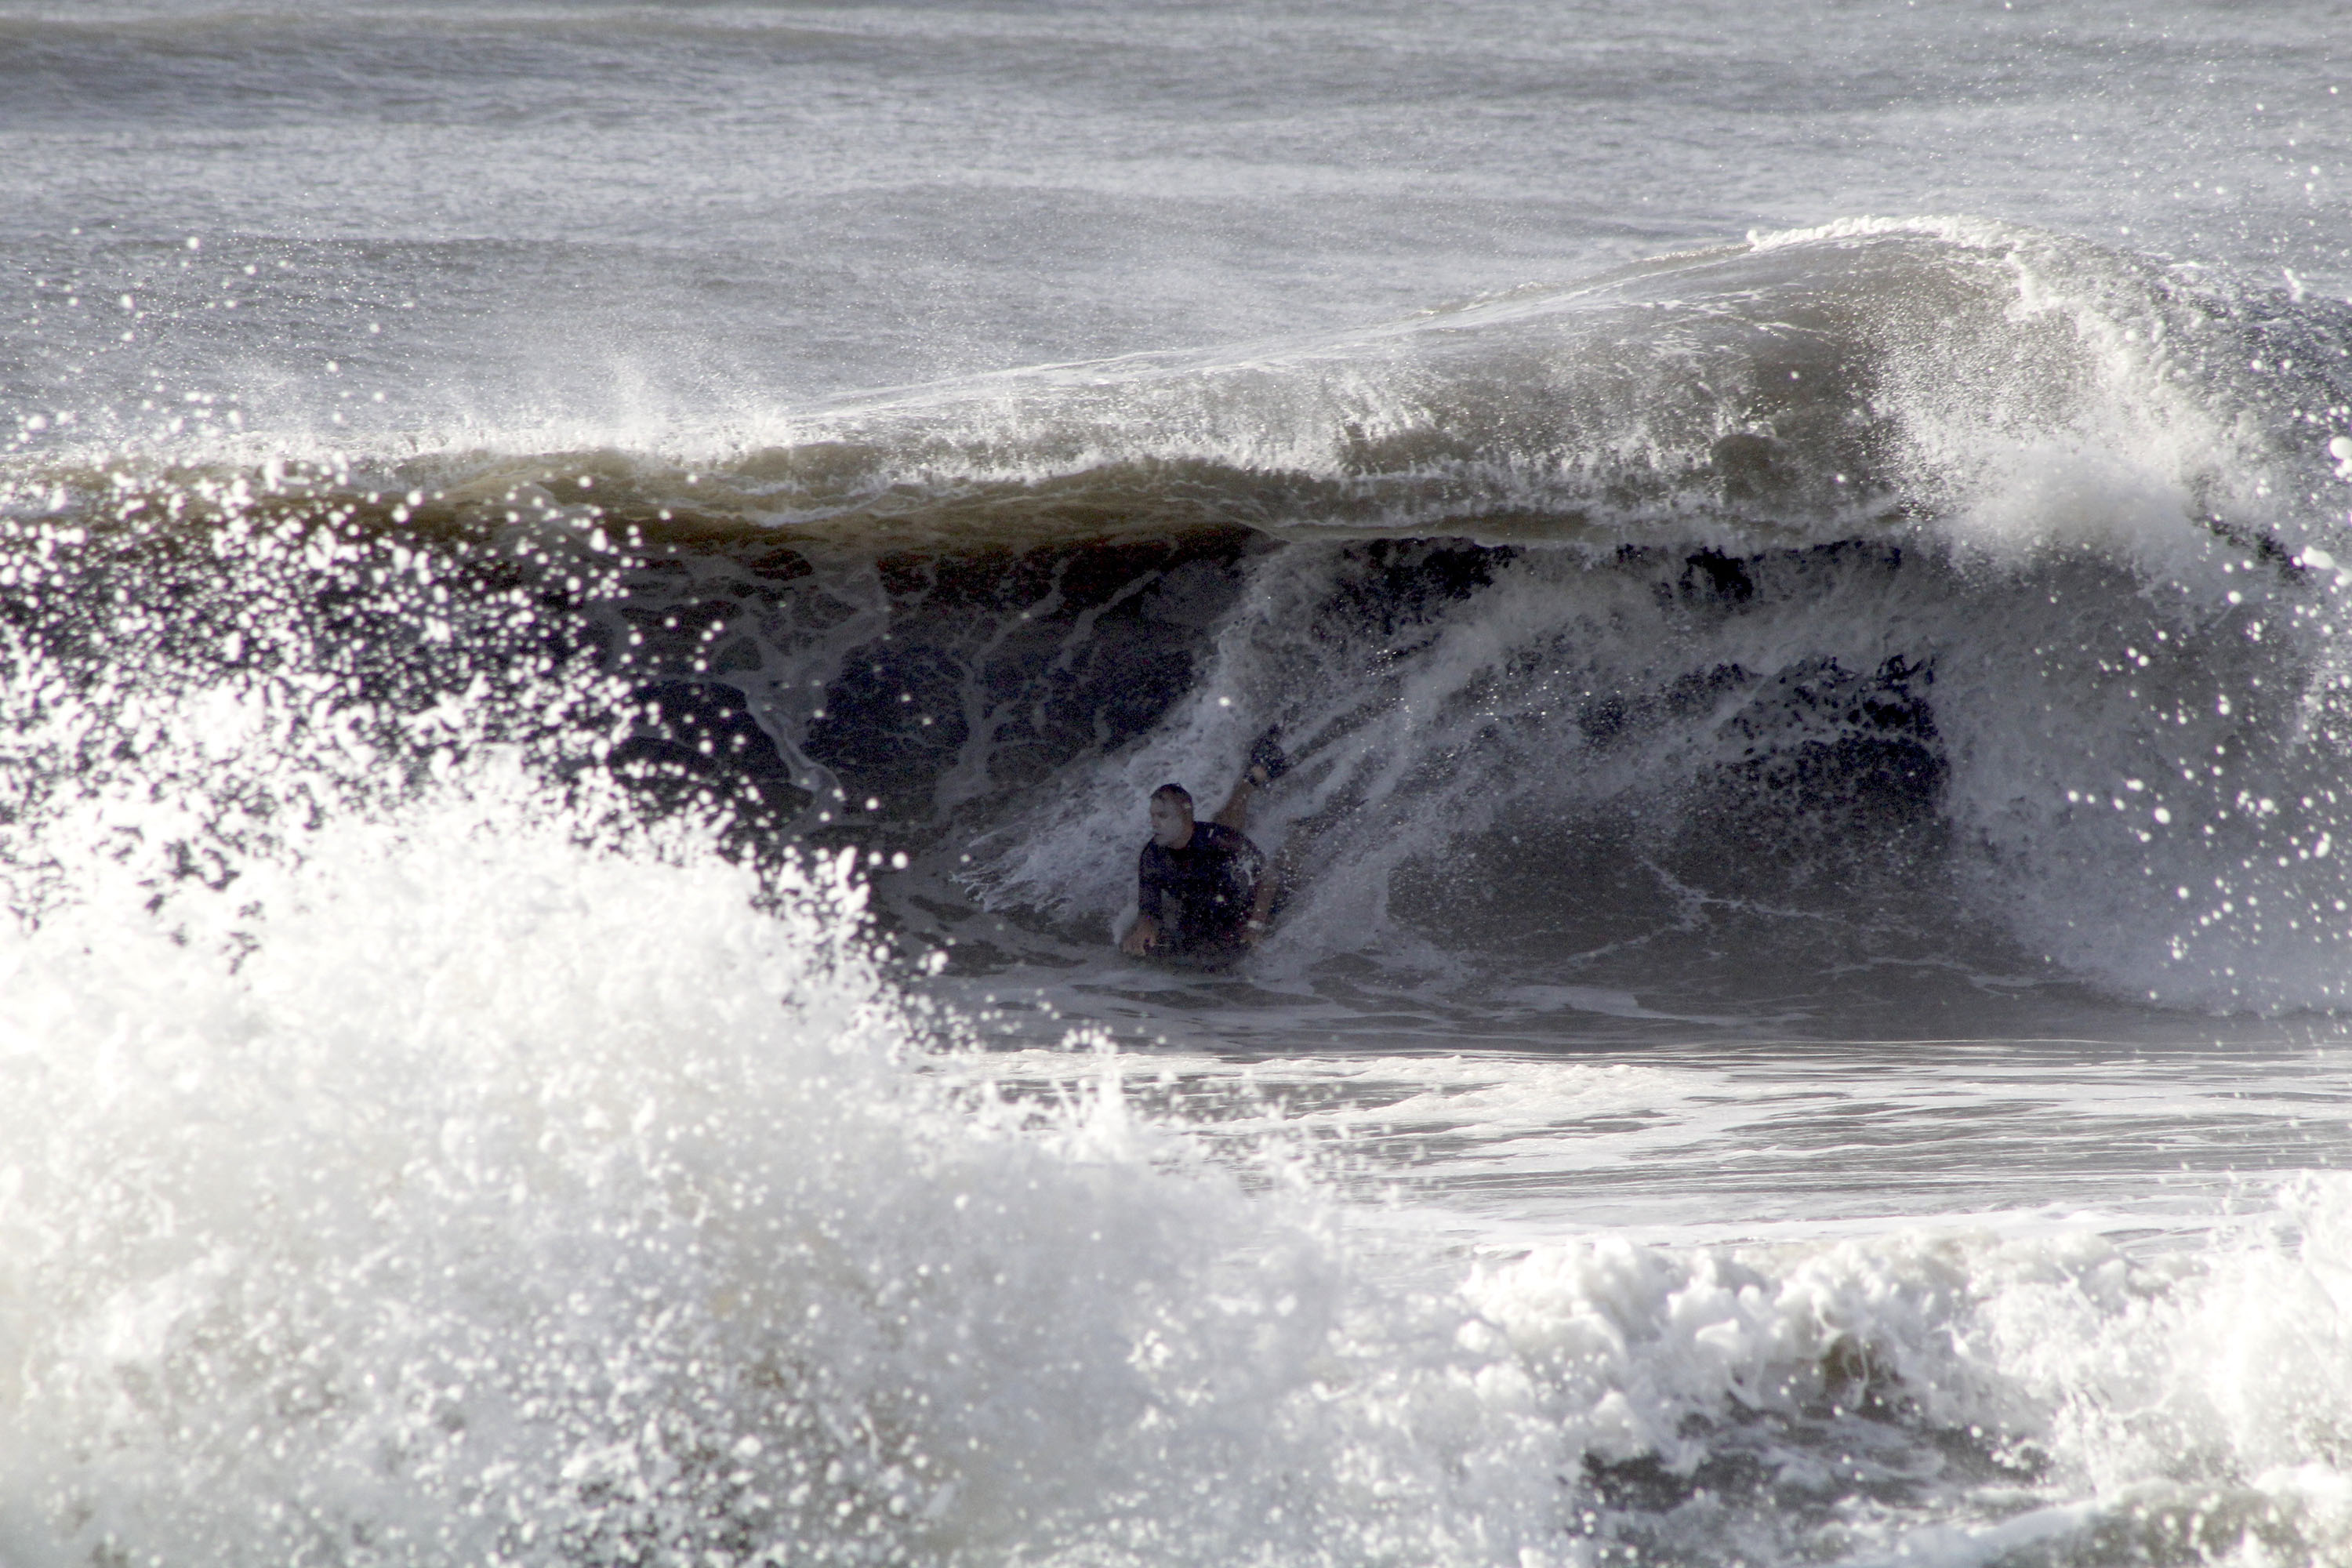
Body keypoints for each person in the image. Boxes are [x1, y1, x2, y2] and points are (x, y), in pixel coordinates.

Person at [1120, 732, 1287, 962]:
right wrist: (1144, 929)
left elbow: (1268, 878)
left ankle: (1256, 783)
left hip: (1241, 900)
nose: (1155, 823)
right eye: (1153, 816)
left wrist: (1255, 927)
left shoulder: (1218, 840)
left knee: (1232, 835)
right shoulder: (1152, 855)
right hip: (1203, 906)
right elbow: (1149, 908)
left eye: (1163, 816)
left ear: (1185, 815)